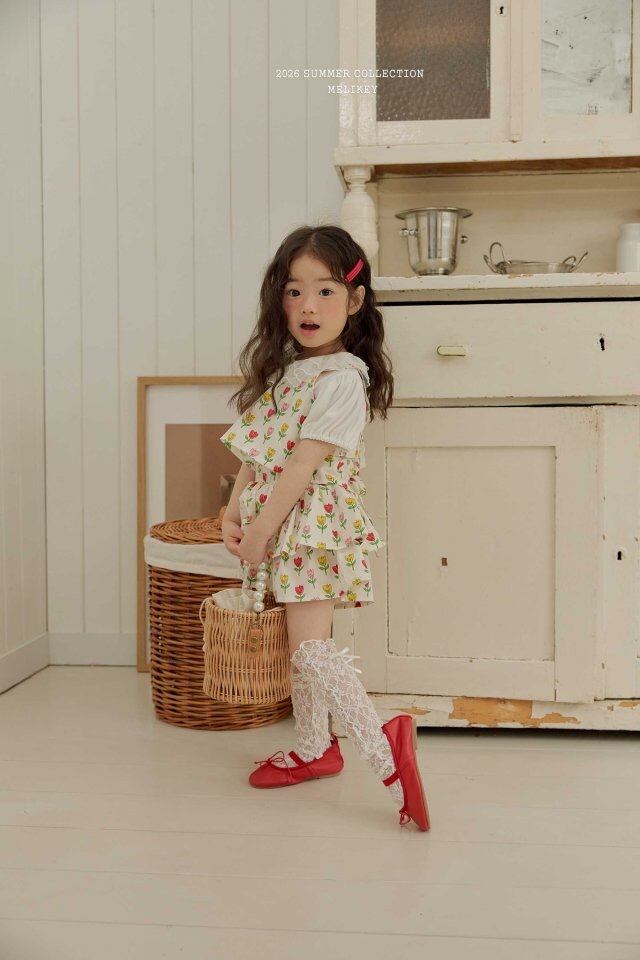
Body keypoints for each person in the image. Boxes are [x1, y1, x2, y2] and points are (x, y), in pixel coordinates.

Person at [219, 224, 430, 831]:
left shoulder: (342, 380)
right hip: (281, 521)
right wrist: (233, 511)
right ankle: (315, 748)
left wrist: (261, 531)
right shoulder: (289, 373)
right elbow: (260, 453)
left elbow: (302, 468)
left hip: (311, 526)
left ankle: (385, 749)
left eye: (326, 291)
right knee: (300, 647)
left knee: (311, 648)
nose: (307, 306)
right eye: (294, 291)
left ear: (355, 299)